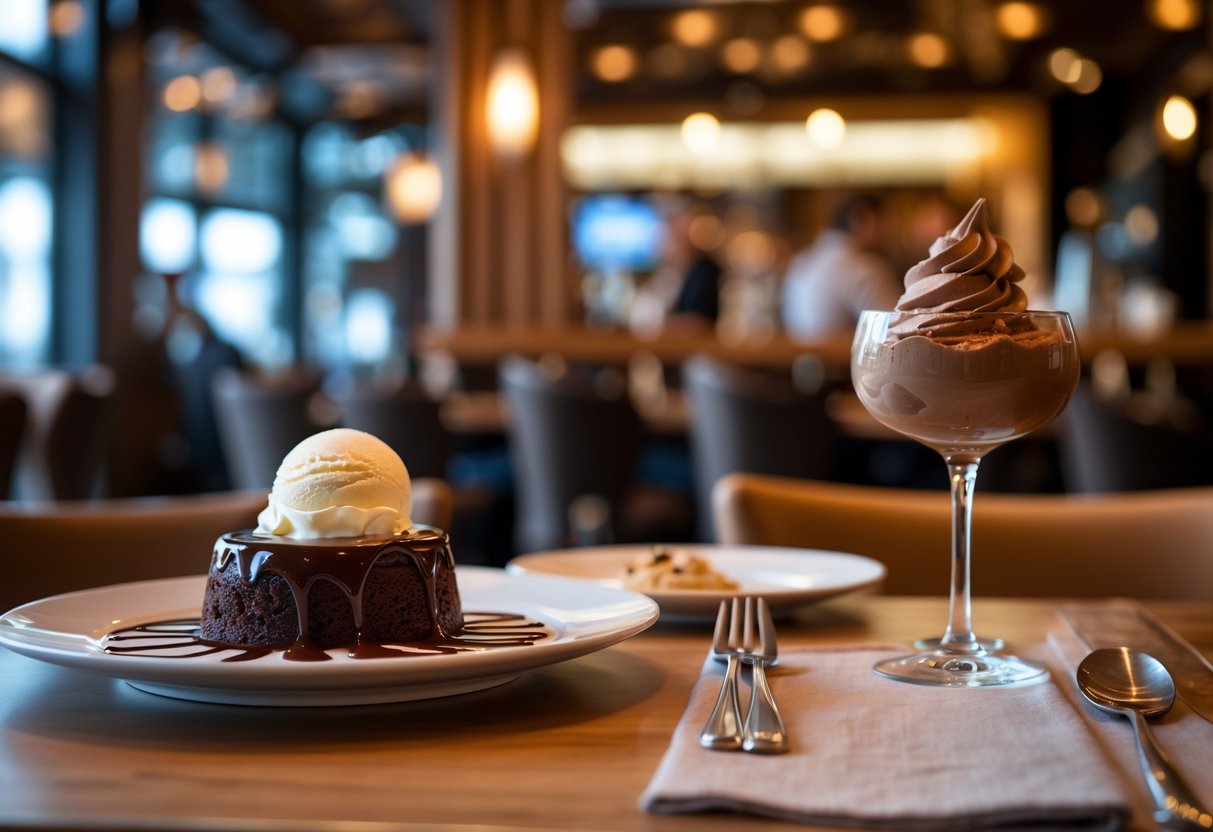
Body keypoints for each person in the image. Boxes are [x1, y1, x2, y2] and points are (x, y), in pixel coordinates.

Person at [780, 194, 900, 339]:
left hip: (797, 360)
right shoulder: (864, 267)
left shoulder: (800, 261)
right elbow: (894, 330)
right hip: (846, 361)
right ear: (862, 218)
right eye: (884, 222)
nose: (888, 232)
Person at [630, 199, 721, 335]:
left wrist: (656, 325)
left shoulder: (705, 271)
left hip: (698, 353)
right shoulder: (667, 270)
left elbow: (701, 323)